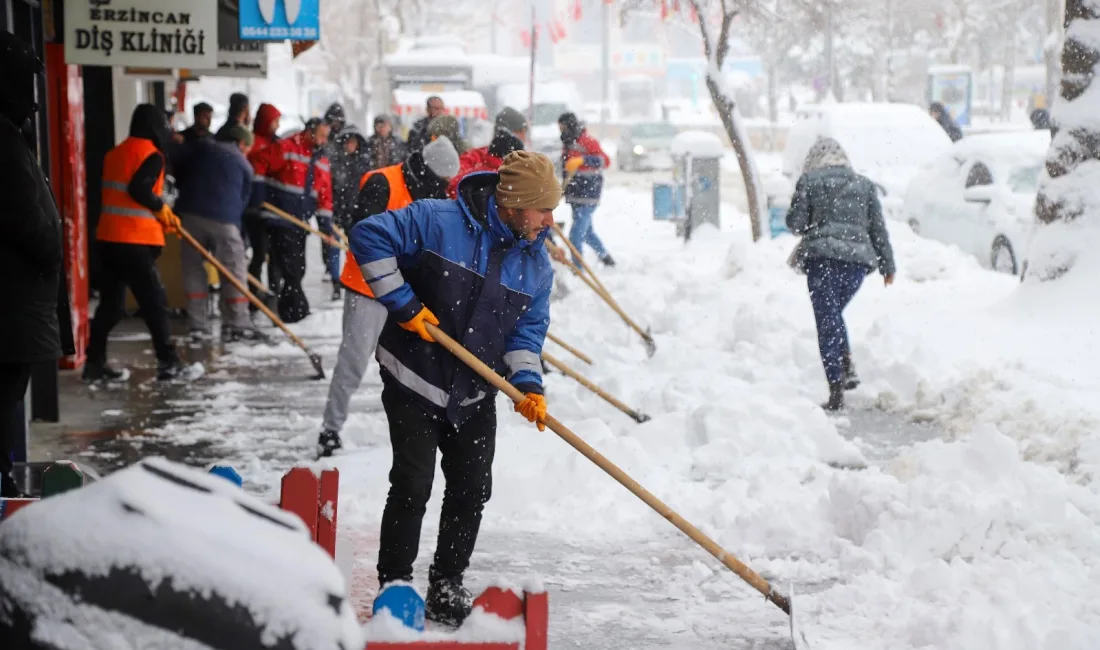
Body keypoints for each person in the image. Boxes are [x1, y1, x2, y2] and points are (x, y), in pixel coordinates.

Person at [349, 151, 559, 626]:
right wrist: (403, 304)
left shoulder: (537, 266)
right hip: (414, 379)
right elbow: (368, 235)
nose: (550, 220)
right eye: (543, 208)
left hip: (474, 394)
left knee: (471, 488)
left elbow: (526, 333)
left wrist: (528, 385)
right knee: (413, 482)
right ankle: (395, 583)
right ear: (516, 203)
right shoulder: (437, 220)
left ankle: (446, 584)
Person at [317, 137, 461, 457]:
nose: (442, 189)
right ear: (428, 171)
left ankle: (418, 428)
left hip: (407, 295)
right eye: (440, 182)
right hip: (367, 290)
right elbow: (363, 235)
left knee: (410, 363)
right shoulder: (383, 182)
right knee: (353, 361)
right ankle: (330, 428)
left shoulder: (431, 191)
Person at [0, 32, 74, 497]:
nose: (32, 104)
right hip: (13, 306)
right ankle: (5, 489)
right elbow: (30, 221)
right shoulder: (5, 142)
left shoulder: (11, 135)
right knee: (7, 400)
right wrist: (52, 247)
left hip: (16, 304)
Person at [785, 137, 896, 411]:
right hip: (856, 265)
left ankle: (836, 387)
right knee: (832, 314)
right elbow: (878, 230)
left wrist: (801, 206)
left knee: (827, 320)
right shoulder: (864, 185)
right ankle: (846, 365)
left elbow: (795, 225)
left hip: (822, 260)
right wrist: (888, 266)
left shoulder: (809, 181)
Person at [85, 104, 193, 382]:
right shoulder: (152, 155)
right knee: (154, 302)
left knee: (111, 305)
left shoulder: (115, 153)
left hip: (108, 239)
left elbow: (119, 194)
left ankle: (94, 364)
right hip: (133, 242)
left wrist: (160, 213)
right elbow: (138, 189)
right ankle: (168, 363)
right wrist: (161, 208)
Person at [174, 125, 267, 343]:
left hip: (190, 218)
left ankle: (198, 326)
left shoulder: (198, 150)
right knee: (234, 271)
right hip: (225, 221)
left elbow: (179, 171)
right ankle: (237, 324)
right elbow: (244, 201)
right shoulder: (243, 164)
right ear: (241, 143)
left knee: (193, 270)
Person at [249, 118, 333, 323]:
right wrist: (259, 195)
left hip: (299, 222)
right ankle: (296, 310)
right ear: (310, 132)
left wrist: (326, 227)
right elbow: (259, 162)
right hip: (279, 217)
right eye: (321, 135)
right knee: (291, 266)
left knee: (296, 266)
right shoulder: (286, 147)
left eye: (326, 137)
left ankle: (287, 308)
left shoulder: (321, 161)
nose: (323, 141)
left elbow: (324, 195)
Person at [559, 112, 614, 267]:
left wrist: (583, 160)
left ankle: (578, 269)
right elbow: (567, 170)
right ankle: (606, 258)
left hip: (588, 194)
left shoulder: (587, 141)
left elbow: (605, 161)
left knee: (575, 236)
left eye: (563, 127)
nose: (561, 131)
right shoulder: (568, 143)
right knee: (587, 233)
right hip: (575, 195)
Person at [244, 103, 284, 301]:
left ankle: (274, 291)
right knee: (259, 253)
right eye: (274, 121)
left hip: (274, 208)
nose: (277, 125)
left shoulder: (278, 144)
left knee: (275, 255)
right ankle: (254, 292)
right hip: (254, 209)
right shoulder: (252, 142)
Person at [446, 107, 527, 199]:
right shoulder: (473, 156)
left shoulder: (527, 161)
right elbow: (453, 189)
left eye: (525, 132)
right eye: (520, 131)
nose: (524, 136)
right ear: (504, 133)